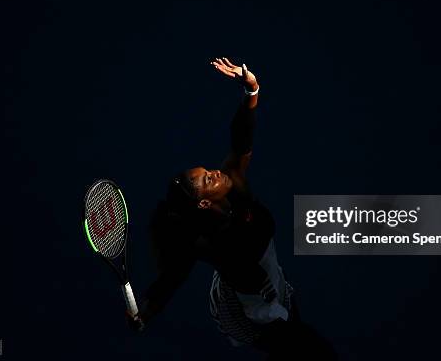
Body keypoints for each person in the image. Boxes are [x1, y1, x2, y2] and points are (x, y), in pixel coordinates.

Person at [128, 57, 337, 360]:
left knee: (300, 336)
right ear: (203, 202)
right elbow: (173, 277)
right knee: (313, 352)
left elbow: (241, 138)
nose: (213, 173)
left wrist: (251, 89)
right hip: (245, 310)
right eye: (205, 181)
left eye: (207, 170)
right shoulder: (205, 239)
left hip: (271, 281)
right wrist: (146, 313)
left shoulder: (234, 182)